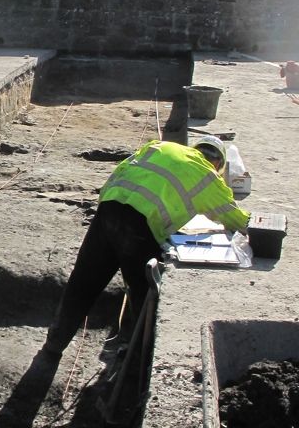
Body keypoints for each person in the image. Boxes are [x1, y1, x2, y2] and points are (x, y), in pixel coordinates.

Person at [39, 136, 250, 365]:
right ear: (218, 164)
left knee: (83, 283)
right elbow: (238, 220)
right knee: (143, 294)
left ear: (194, 148)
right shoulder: (208, 176)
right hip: (141, 227)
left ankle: (54, 346)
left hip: (109, 209)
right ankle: (136, 359)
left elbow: (120, 171)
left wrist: (109, 209)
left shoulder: (158, 146)